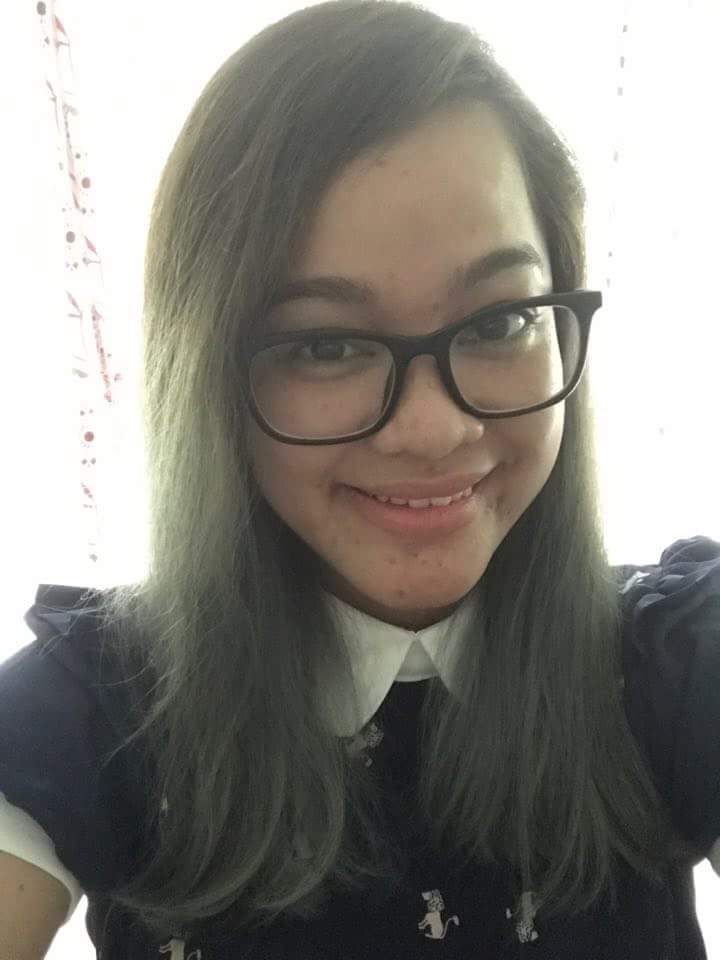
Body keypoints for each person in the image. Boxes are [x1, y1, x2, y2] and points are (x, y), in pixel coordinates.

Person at [2, 1, 719, 957]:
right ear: (209, 373)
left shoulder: (673, 665)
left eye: (500, 321)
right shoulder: (95, 712)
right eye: (327, 344)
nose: (434, 430)